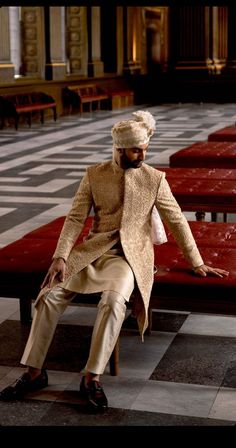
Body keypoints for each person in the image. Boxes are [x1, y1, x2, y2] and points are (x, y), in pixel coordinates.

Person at [0, 110, 229, 412]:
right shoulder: (94, 174)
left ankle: (91, 378)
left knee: (112, 302)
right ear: (119, 148)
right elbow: (74, 219)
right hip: (91, 252)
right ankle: (34, 373)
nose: (142, 155)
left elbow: (177, 221)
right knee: (49, 296)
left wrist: (196, 261)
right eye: (136, 149)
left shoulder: (154, 178)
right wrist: (60, 256)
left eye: (146, 148)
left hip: (129, 258)